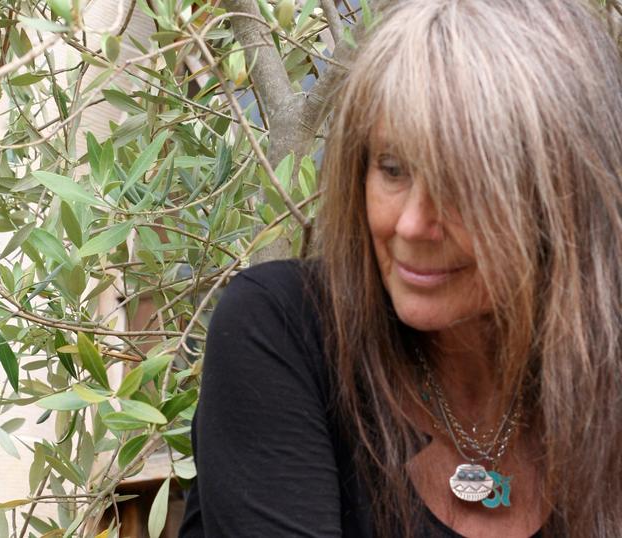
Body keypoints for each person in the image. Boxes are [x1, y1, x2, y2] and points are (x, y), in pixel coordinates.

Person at [178, 0, 622, 536]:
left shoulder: (602, 376)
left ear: (562, 196)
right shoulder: (284, 328)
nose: (412, 224)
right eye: (392, 168)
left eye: (462, 181)